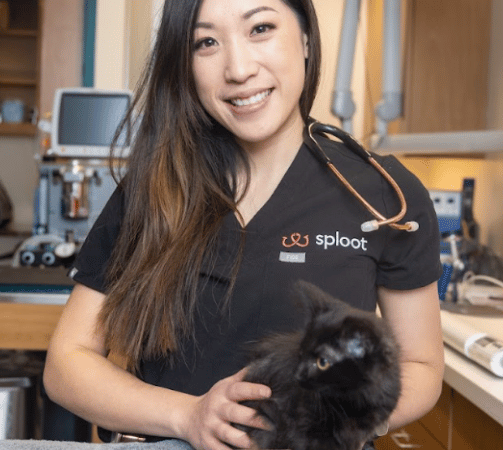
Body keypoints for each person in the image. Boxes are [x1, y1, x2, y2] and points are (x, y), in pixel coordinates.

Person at [43, 0, 445, 448]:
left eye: (260, 28)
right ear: (185, 62)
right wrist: (186, 416)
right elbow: (66, 361)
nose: (238, 68)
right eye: (207, 42)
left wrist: (332, 422)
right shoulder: (155, 188)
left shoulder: (385, 193)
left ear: (306, 38)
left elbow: (422, 366)